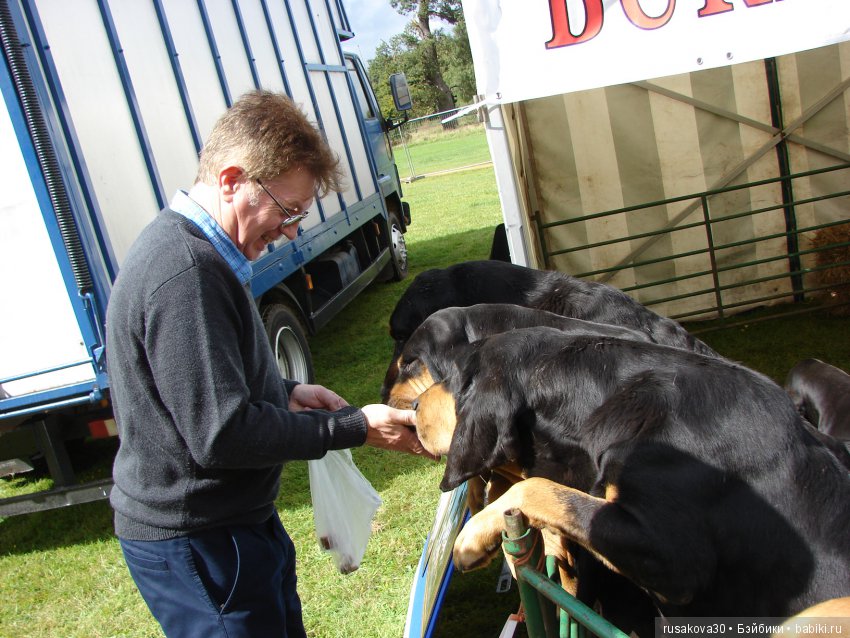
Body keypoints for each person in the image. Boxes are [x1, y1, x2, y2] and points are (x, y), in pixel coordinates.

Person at [105, 90, 433, 638]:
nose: (289, 232)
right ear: (232, 180)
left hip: (234, 523)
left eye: (298, 217)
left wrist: (282, 392)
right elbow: (222, 434)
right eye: (287, 212)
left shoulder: (201, 257)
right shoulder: (186, 272)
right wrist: (353, 428)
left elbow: (205, 382)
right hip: (199, 539)